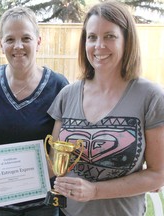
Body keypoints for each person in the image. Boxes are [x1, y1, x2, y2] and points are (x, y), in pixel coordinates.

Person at [47, 1, 164, 216]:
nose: (99, 46)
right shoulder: (67, 95)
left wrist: (95, 191)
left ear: (127, 41)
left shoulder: (151, 97)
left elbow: (158, 175)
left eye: (109, 36)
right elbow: (53, 164)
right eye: (92, 37)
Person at [0, 6, 68, 216]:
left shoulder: (58, 85)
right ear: (0, 44)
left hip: (42, 204)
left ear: (38, 42)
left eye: (26, 38)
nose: (18, 46)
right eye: (10, 39)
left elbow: (60, 153)